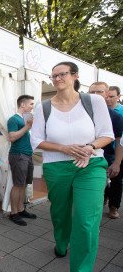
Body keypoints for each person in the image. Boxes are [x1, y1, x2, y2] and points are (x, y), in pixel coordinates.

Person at [30, 62, 113, 272]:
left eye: (62, 74)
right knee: (60, 213)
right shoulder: (43, 107)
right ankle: (61, 242)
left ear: (75, 75)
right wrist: (64, 148)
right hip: (56, 166)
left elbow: (107, 135)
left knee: (86, 222)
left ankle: (81, 269)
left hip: (90, 165)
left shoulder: (94, 101)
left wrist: (89, 147)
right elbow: (36, 140)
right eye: (53, 75)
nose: (57, 78)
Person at [90, 82, 123, 219]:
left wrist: (117, 162)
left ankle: (113, 206)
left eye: (99, 92)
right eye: (92, 92)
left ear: (107, 95)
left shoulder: (115, 117)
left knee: (116, 180)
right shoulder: (82, 113)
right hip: (89, 156)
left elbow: (119, 142)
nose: (95, 95)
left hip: (109, 155)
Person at [7, 95, 37, 226]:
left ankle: (21, 209)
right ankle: (13, 213)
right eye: (31, 104)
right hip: (18, 155)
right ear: (23, 105)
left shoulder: (26, 120)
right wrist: (27, 126)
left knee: (24, 184)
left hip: (28, 155)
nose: (32, 106)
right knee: (18, 184)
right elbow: (12, 137)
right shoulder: (13, 119)